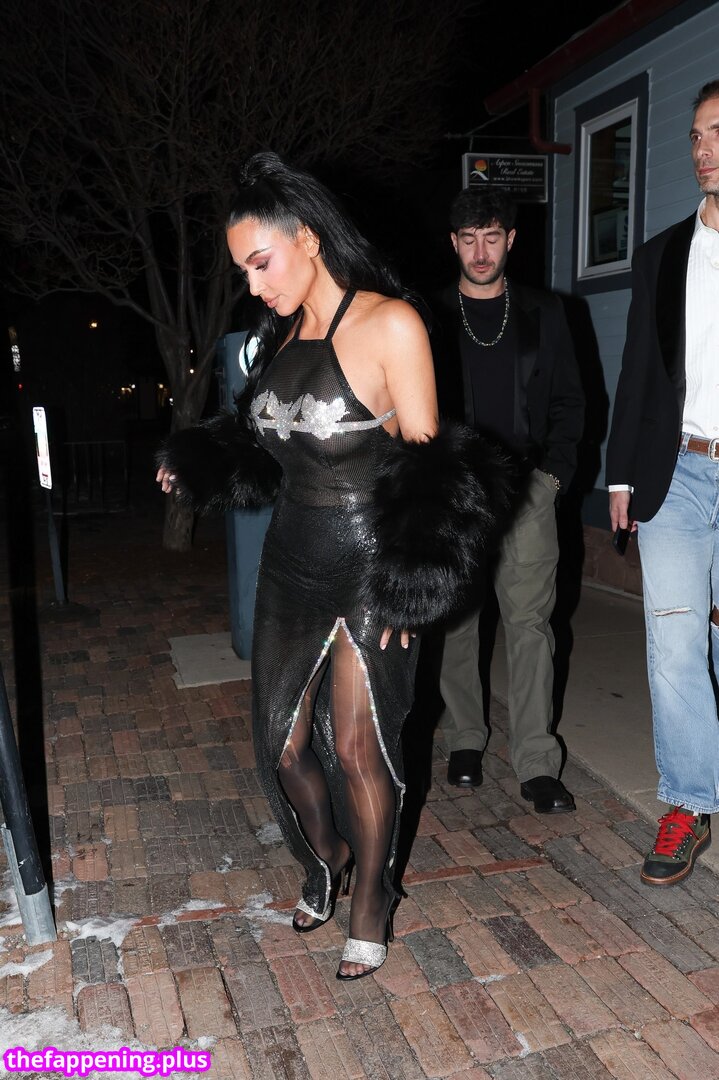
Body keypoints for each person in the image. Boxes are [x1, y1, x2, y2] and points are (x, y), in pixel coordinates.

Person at [156, 153, 511, 978]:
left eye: (261, 263)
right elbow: (261, 447)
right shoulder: (277, 338)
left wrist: (410, 591)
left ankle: (371, 898)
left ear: (308, 241)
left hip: (370, 563)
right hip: (291, 562)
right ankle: (327, 855)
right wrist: (199, 463)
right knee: (280, 744)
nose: (253, 284)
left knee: (356, 746)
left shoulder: (391, 324)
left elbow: (436, 473)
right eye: (243, 270)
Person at [432, 188, 584, 813]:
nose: (480, 252)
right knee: (457, 623)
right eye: (468, 239)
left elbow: (571, 402)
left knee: (530, 625)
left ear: (510, 240)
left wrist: (551, 479)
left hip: (526, 490)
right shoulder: (430, 316)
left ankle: (536, 762)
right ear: (453, 243)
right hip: (457, 493)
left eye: (491, 237)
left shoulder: (546, 313)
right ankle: (465, 738)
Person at [607, 80, 719, 886]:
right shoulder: (662, 255)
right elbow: (637, 372)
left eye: (718, 132)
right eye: (696, 136)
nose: (703, 149)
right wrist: (619, 473)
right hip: (674, 471)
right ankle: (687, 802)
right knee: (675, 643)